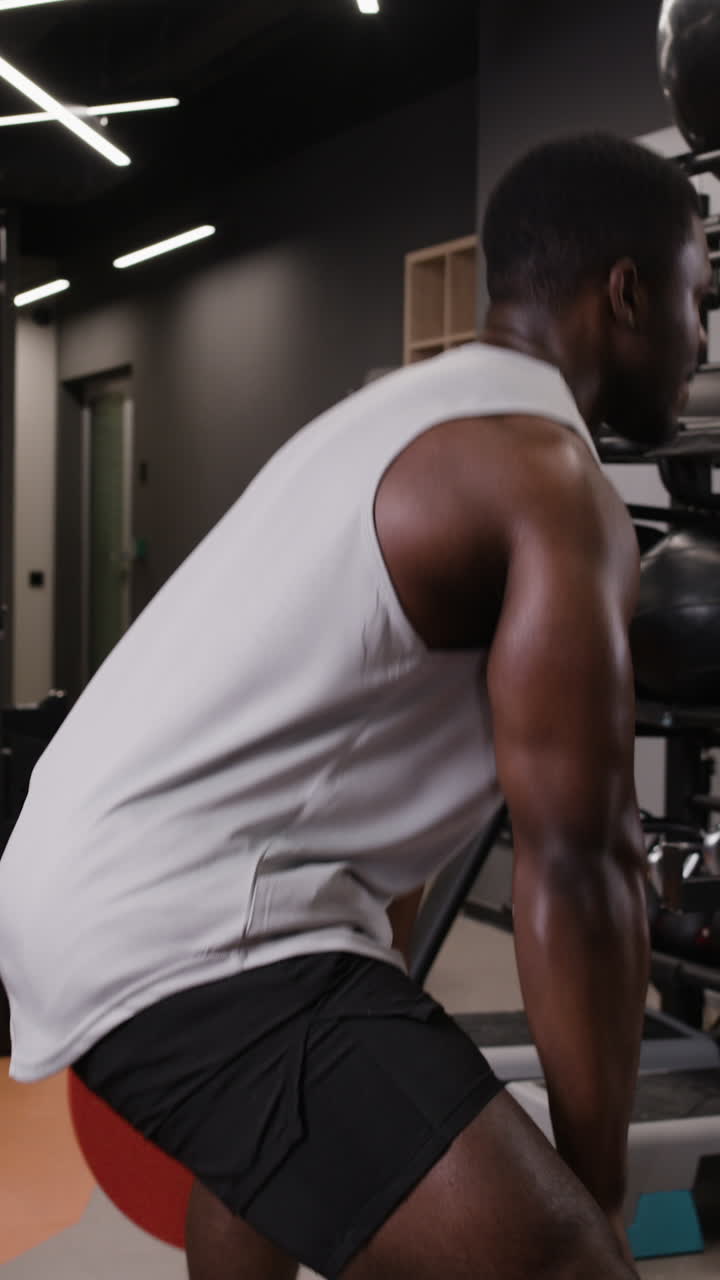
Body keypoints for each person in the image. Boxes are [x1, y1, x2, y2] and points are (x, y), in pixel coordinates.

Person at [0, 133, 712, 1280]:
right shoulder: (550, 479)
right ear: (628, 294)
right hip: (184, 924)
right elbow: (582, 865)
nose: (700, 340)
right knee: (567, 1265)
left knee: (286, 1160)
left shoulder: (399, 411)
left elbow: (363, 749)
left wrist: (383, 1012)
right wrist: (593, 1191)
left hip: (82, 880)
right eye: (696, 302)